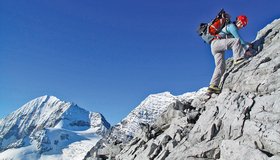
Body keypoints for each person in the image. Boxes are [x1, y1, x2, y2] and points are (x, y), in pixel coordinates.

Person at [207, 15, 252, 94]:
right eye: (241, 23)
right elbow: (239, 40)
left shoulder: (230, 29)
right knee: (236, 41)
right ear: (237, 21)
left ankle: (213, 86)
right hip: (216, 43)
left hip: (216, 47)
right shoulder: (231, 26)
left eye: (243, 25)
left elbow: (236, 45)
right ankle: (238, 59)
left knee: (221, 67)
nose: (241, 26)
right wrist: (247, 49)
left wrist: (246, 44)